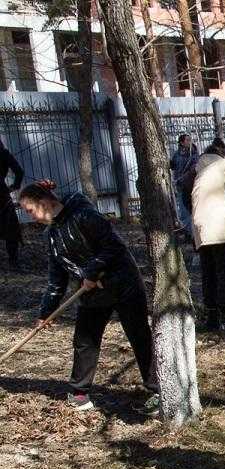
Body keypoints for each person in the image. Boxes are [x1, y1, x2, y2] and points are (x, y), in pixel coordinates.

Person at [19, 180, 158, 414]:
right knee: (85, 340)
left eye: (30, 210)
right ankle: (79, 392)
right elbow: (57, 278)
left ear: (43, 203)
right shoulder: (52, 235)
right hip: (92, 291)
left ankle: (158, 390)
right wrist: (46, 312)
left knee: (139, 336)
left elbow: (113, 246)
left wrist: (91, 271)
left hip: (123, 283)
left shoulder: (83, 214)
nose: (31, 217)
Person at [191, 137, 225, 332]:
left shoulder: (198, 171)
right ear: (221, 152)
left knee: (209, 273)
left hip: (201, 230)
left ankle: (212, 318)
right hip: (222, 228)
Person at [0, 138, 24, 270]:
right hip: (1, 195)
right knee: (10, 227)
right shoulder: (3, 153)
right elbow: (19, 171)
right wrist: (15, 186)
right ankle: (13, 261)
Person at [169, 134, 199, 239]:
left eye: (190, 139)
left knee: (193, 210)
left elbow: (192, 170)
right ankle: (188, 233)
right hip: (181, 187)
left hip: (191, 186)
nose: (190, 141)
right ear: (181, 142)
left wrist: (180, 180)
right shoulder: (177, 154)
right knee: (183, 211)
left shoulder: (194, 154)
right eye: (187, 140)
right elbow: (174, 166)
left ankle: (193, 234)